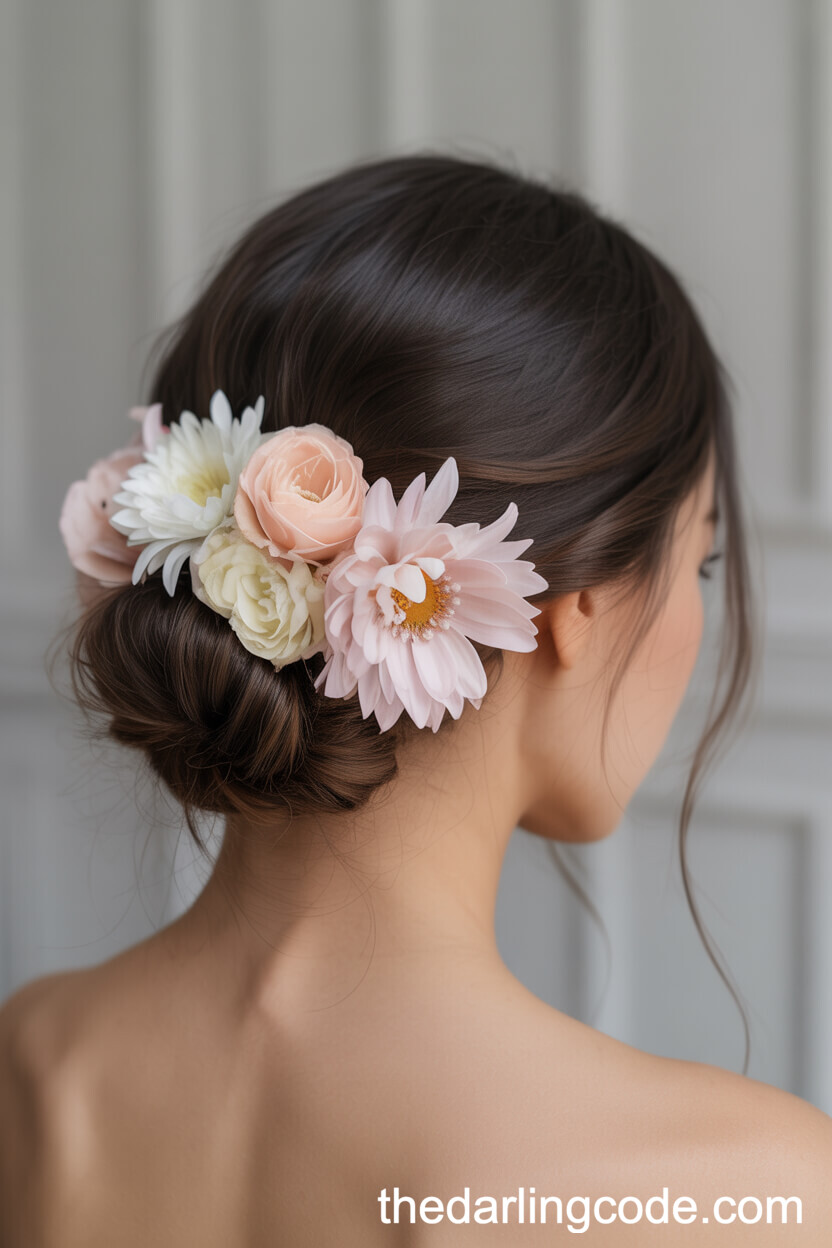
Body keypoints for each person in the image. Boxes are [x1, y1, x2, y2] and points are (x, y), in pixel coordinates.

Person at [1, 153, 830, 1246]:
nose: (698, 616)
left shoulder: (37, 1062)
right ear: (574, 604)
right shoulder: (736, 1184)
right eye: (701, 565)